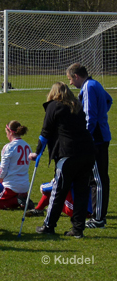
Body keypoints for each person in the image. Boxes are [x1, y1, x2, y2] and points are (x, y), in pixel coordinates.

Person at [29, 82, 95, 238]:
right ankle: (78, 229)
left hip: (68, 154)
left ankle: (48, 225)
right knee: (81, 191)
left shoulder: (54, 106)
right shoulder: (77, 107)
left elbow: (45, 132)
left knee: (58, 190)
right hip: (87, 152)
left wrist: (37, 152)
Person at [66, 63, 112, 228]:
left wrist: (84, 137)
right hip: (100, 136)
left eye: (70, 79)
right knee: (97, 178)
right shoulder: (95, 84)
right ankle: (97, 215)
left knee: (97, 180)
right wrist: (102, 116)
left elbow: (90, 116)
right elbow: (109, 100)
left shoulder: (88, 87)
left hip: (96, 140)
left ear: (76, 76)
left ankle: (98, 219)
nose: (71, 83)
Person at [0, 121, 32, 210]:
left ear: (10, 132)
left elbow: (3, 169)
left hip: (11, 185)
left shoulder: (9, 147)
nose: (6, 136)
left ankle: (17, 200)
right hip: (24, 184)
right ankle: (22, 198)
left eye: (6, 133)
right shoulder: (27, 146)